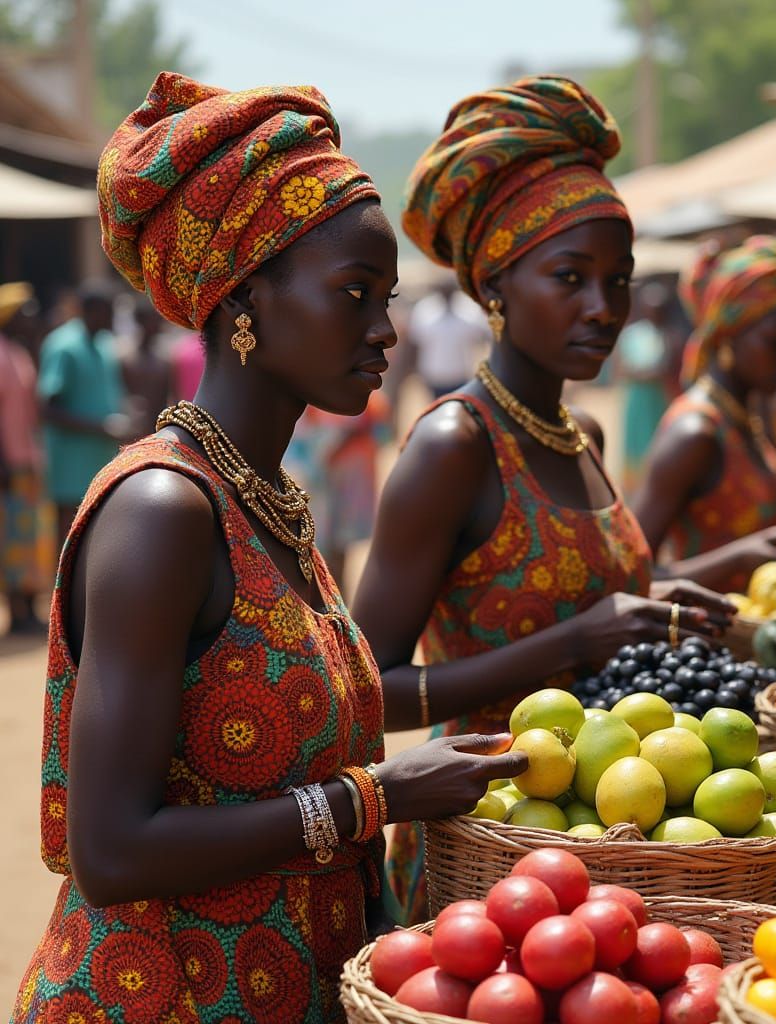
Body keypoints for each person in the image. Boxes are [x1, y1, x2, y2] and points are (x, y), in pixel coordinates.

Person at [12, 72, 525, 1024]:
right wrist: (371, 799)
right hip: (164, 998)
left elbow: (351, 692)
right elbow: (112, 851)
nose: (386, 330)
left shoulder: (270, 501)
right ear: (245, 298)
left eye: (390, 296)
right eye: (354, 292)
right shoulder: (165, 508)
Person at [352, 75, 733, 925]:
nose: (604, 308)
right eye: (571, 277)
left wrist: (663, 598)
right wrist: (577, 639)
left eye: (620, 280)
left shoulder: (581, 435)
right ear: (496, 286)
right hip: (493, 848)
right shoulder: (457, 447)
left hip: (616, 827)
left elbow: (594, 597)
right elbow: (365, 691)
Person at [631, 236, 776, 593]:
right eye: (775, 343)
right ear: (729, 334)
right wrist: (738, 558)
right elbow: (630, 578)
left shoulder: (747, 417)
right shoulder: (694, 433)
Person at [36, 281, 131, 546]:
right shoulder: (63, 346)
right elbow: (48, 409)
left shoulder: (105, 345)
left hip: (99, 459)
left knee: (94, 532)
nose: (112, 317)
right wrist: (99, 427)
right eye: (107, 311)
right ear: (90, 310)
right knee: (68, 531)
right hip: (70, 462)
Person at [283, 391, 390, 593]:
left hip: (349, 484)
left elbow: (380, 431)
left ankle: (336, 599)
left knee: (338, 551)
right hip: (320, 481)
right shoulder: (306, 392)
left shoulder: (366, 397)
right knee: (320, 549)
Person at [0, 282, 46, 634]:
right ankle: (17, 610)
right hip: (9, 461)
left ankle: (27, 606)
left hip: (27, 460)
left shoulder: (19, 353)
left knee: (29, 534)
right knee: (13, 535)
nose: (33, 319)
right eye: (25, 313)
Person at [617, 281, 676, 495]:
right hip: (637, 396)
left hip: (656, 397)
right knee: (636, 440)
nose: (655, 312)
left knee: (655, 437)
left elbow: (667, 368)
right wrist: (645, 374)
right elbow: (623, 368)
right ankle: (635, 490)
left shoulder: (667, 336)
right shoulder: (632, 334)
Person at [408, 277, 488, 399]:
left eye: (449, 290)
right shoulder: (424, 310)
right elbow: (415, 344)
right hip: (434, 376)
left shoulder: (469, 310)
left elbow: (482, 338)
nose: (447, 293)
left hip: (460, 376)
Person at [121, 297, 173, 436]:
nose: (159, 323)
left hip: (158, 432)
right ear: (140, 321)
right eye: (154, 319)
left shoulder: (165, 361)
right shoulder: (126, 359)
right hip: (130, 432)